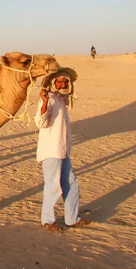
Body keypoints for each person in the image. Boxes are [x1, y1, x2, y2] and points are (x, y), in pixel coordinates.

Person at [35, 67, 91, 231]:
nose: (62, 84)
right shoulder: (50, 99)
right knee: (53, 186)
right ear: (54, 82)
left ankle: (72, 218)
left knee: (72, 183)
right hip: (51, 151)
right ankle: (47, 220)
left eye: (65, 81)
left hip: (63, 150)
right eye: (59, 81)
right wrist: (44, 102)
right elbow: (40, 122)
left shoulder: (61, 100)